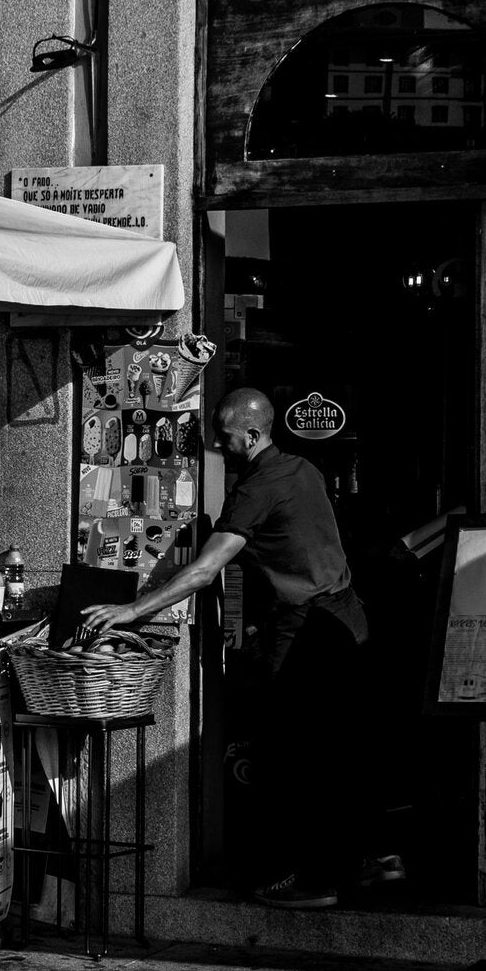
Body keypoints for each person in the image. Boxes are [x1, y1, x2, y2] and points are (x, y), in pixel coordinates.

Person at [78, 385, 392, 909]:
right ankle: (362, 862)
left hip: (307, 630)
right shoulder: (303, 469)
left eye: (225, 438)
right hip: (348, 620)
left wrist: (133, 609)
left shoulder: (256, 489)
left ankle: (314, 880)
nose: (219, 447)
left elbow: (204, 570)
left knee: (295, 754)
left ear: (251, 433)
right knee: (338, 747)